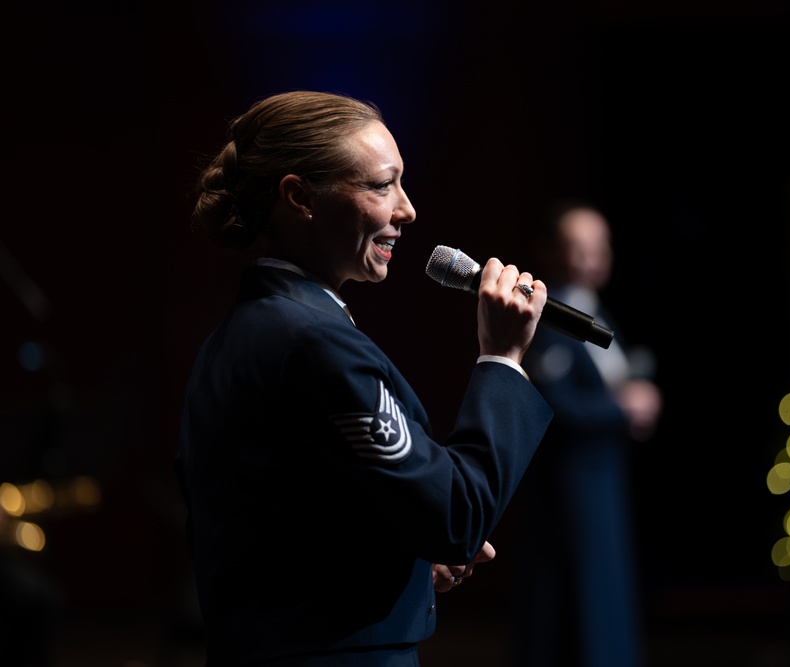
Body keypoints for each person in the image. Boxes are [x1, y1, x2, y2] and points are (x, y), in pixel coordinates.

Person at [174, 90, 553, 666]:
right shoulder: (314, 342)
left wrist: (402, 559)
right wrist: (501, 358)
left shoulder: (237, 337)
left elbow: (288, 524)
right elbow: (455, 516)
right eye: (381, 185)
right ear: (299, 197)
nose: (407, 209)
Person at [512, 200, 662, 667]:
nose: (590, 258)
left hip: (605, 481)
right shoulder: (549, 312)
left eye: (599, 247)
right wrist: (623, 409)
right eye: (578, 247)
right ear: (552, 251)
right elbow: (558, 404)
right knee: (575, 602)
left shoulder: (598, 310)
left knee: (607, 597)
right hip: (569, 487)